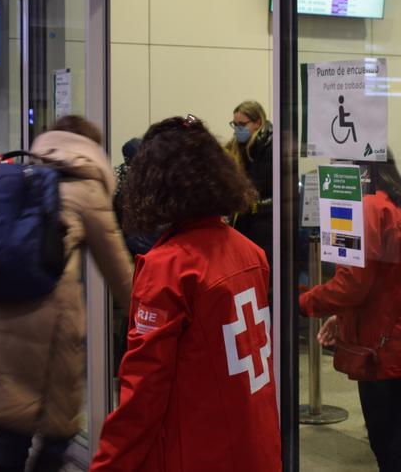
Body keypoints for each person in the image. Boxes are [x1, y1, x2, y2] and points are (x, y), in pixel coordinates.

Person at [91, 115, 281, 472]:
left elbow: (144, 393)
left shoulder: (169, 268)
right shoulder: (250, 253)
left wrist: (107, 464)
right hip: (255, 444)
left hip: (196, 449)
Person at [0, 115, 134, 472]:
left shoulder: (19, 178)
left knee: (13, 422)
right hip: (47, 320)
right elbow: (117, 266)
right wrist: (145, 315)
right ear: (90, 150)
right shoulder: (86, 190)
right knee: (57, 428)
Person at [299, 158, 401, 472]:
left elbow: (352, 285)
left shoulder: (364, 209)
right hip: (400, 337)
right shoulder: (394, 201)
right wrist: (343, 317)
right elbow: (385, 279)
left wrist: (307, 302)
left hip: (380, 348)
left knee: (389, 446)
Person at [226, 100, 273, 259]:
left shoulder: (269, 146)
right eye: (235, 124)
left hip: (265, 221)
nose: (237, 129)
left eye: (242, 124)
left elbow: (257, 187)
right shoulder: (235, 146)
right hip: (245, 218)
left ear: (257, 122)